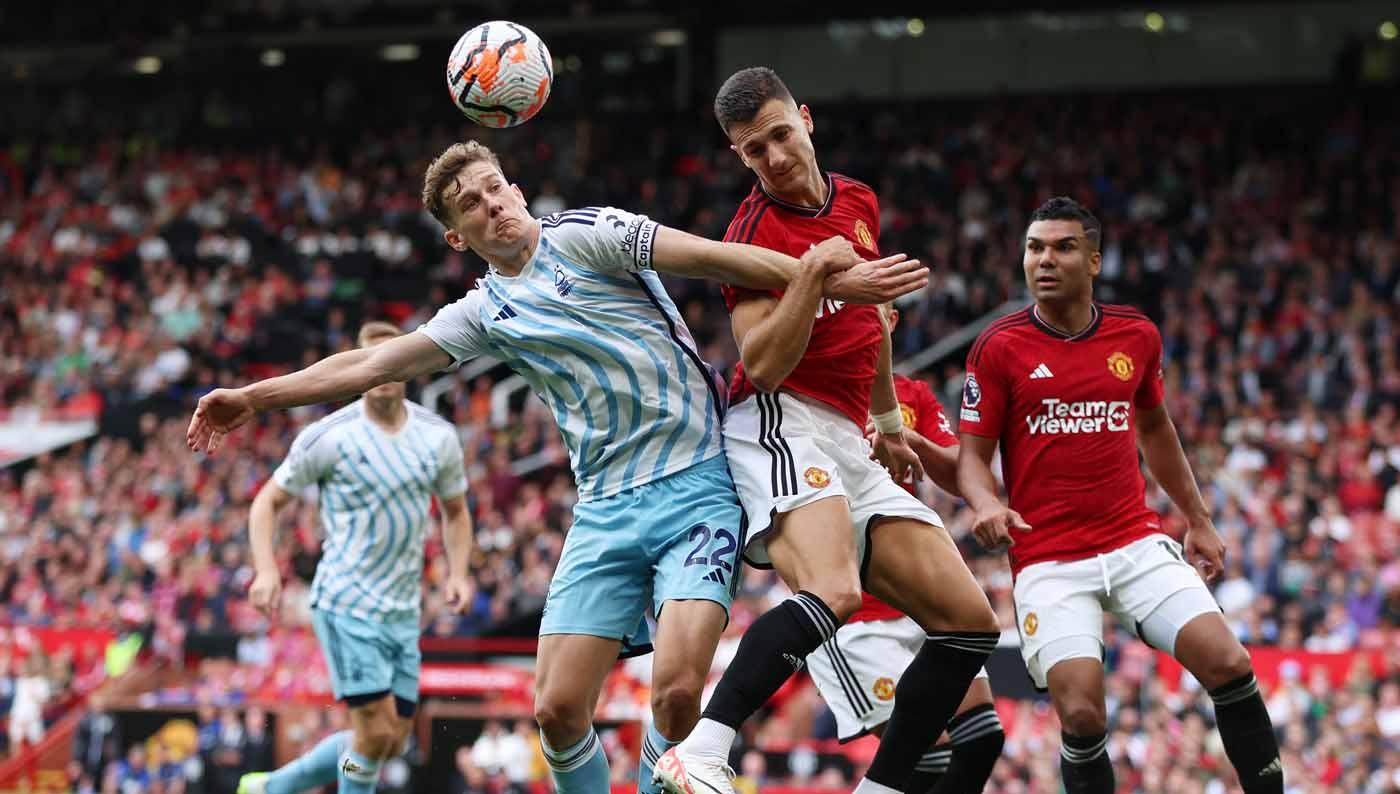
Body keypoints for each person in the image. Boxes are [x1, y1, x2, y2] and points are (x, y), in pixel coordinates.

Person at [188, 139, 927, 794]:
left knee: (674, 694)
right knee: (556, 710)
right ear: (458, 235)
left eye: (495, 189)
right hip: (605, 509)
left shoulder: (591, 234)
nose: (491, 206)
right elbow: (373, 361)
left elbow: (715, 257)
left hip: (698, 485)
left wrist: (826, 278)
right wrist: (255, 396)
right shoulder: (483, 312)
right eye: (472, 206)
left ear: (514, 188)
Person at [657, 67, 999, 794]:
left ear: (805, 120)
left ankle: (880, 788)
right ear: (739, 157)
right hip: (778, 420)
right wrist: (811, 274)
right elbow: (761, 363)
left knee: (970, 624)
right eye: (754, 151)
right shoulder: (750, 233)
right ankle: (702, 749)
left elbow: (870, 322)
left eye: (780, 135)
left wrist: (886, 419)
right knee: (835, 591)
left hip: (851, 432)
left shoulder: (857, 199)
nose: (774, 158)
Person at [956, 196, 1283, 793]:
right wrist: (983, 503)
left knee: (1231, 664)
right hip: (1049, 558)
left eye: (1062, 247)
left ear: (1095, 260)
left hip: (1133, 541)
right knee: (1081, 715)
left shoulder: (1135, 335)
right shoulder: (998, 347)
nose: (1044, 260)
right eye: (1035, 248)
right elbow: (973, 457)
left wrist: (1198, 518)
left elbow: (1156, 429)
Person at [234, 321, 474, 794]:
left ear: (409, 364)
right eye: (368, 362)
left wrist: (459, 572)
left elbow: (456, 511)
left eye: (391, 360)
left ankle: (271, 789)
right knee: (375, 733)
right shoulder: (329, 436)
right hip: (346, 603)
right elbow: (268, 502)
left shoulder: (437, 437)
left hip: (403, 611)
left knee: (393, 740)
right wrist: (265, 568)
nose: (380, 371)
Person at [803, 303, 1003, 794]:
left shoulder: (912, 395)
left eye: (874, 311)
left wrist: (909, 437)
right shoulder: (807, 390)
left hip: (921, 603)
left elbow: (962, 472)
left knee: (982, 739)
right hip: (852, 617)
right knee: (920, 759)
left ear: (890, 324)